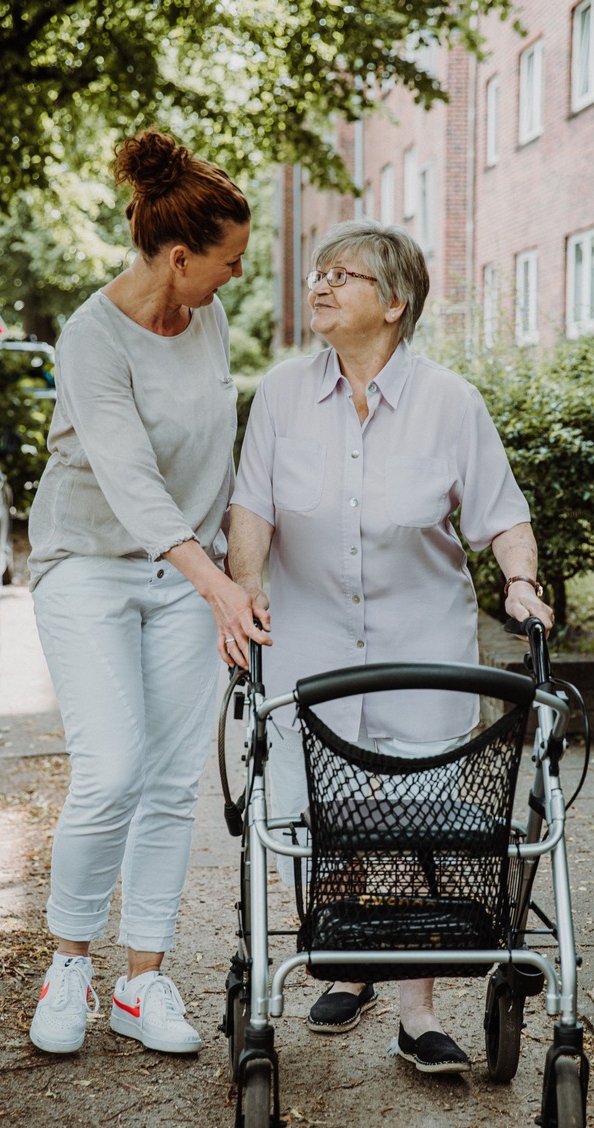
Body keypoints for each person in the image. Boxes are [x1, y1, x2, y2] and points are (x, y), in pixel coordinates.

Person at [224, 219, 554, 1074]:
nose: (320, 285)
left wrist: (520, 583)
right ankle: (344, 954)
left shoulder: (452, 402)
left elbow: (501, 514)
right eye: (318, 272)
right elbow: (252, 506)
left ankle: (416, 1009)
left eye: (344, 275)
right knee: (318, 812)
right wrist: (245, 584)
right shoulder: (282, 395)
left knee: (416, 818)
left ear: (396, 301)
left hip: (420, 645)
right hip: (310, 648)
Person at [27, 129, 254, 1056]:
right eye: (228, 261)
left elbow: (219, 457)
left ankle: (143, 983)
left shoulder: (206, 318)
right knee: (111, 769)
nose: (237, 276)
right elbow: (129, 479)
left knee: (169, 783)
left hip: (184, 573)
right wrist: (222, 590)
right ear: (177, 256)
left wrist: (231, 576)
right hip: (89, 564)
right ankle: (69, 965)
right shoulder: (90, 337)